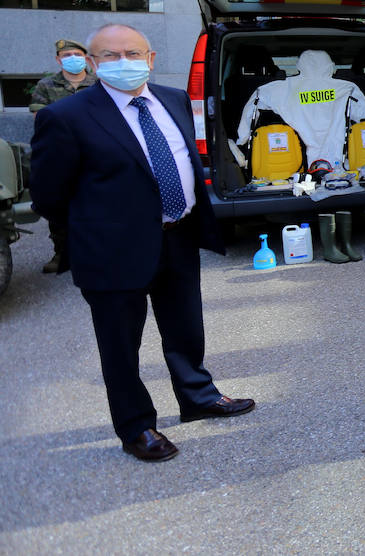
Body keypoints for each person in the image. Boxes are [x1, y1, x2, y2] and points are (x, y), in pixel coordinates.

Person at [29, 24, 254, 462]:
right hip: (111, 251)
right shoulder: (68, 116)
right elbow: (49, 196)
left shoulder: (172, 100)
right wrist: (98, 230)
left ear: (150, 59)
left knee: (186, 329)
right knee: (120, 344)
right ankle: (136, 426)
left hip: (178, 236)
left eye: (132, 52)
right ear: (92, 64)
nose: (122, 62)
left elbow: (183, 159)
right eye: (109, 56)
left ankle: (198, 397)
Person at [29, 38, 96, 274]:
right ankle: (61, 252)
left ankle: (96, 252)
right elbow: (41, 120)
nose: (72, 59)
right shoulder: (46, 85)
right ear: (58, 60)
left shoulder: (97, 83)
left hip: (93, 152)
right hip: (59, 153)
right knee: (59, 203)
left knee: (96, 201)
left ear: (86, 58)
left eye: (76, 54)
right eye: (66, 55)